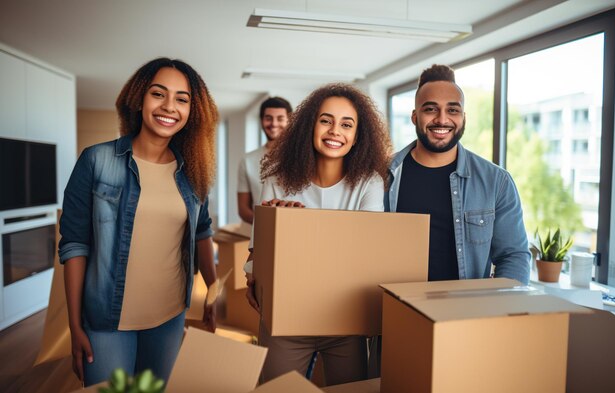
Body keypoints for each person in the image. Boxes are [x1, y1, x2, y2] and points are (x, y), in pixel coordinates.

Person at [58, 58, 219, 386]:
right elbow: (75, 243)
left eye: (182, 99)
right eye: (158, 94)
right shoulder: (97, 160)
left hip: (170, 315)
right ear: (139, 98)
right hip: (107, 320)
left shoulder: (194, 174)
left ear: (192, 112)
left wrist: (213, 296)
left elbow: (203, 231)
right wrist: (75, 326)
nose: (169, 106)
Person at [245, 83, 391, 385]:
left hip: (344, 318)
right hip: (286, 317)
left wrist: (296, 228)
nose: (335, 131)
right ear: (309, 126)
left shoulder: (369, 183)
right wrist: (254, 274)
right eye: (326, 120)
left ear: (357, 135)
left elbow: (365, 253)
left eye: (346, 124)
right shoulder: (276, 179)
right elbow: (258, 250)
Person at [386, 63, 530, 284]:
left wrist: (499, 309)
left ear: (464, 118)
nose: (442, 119)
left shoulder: (496, 182)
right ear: (415, 117)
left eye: (452, 110)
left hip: (464, 312)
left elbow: (513, 256)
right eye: (430, 109)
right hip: (393, 307)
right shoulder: (382, 175)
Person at [237, 97, 293, 224]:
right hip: (261, 231)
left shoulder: (303, 158)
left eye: (280, 118)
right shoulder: (247, 161)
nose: (274, 124)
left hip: (297, 229)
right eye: (268, 118)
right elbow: (243, 209)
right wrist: (266, 225)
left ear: (289, 121)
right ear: (262, 120)